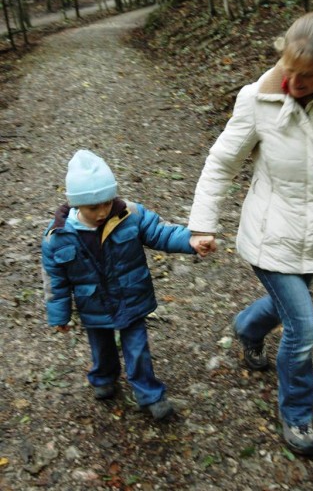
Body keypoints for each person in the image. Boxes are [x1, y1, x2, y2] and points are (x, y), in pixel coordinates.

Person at [188, 11, 313, 455]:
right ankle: (297, 412)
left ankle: (247, 327)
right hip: (268, 236)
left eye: (307, 75)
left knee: (282, 310)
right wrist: (202, 224)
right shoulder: (256, 99)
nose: (292, 82)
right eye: (288, 69)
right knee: (304, 327)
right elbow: (221, 164)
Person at [42, 149, 211, 420]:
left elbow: (161, 232)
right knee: (102, 347)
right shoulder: (58, 236)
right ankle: (103, 378)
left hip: (131, 298)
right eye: (92, 207)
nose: (102, 212)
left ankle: (150, 395)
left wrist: (190, 241)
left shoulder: (130, 215)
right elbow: (55, 280)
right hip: (93, 304)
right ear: (76, 205)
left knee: (137, 348)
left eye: (107, 203)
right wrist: (60, 314)